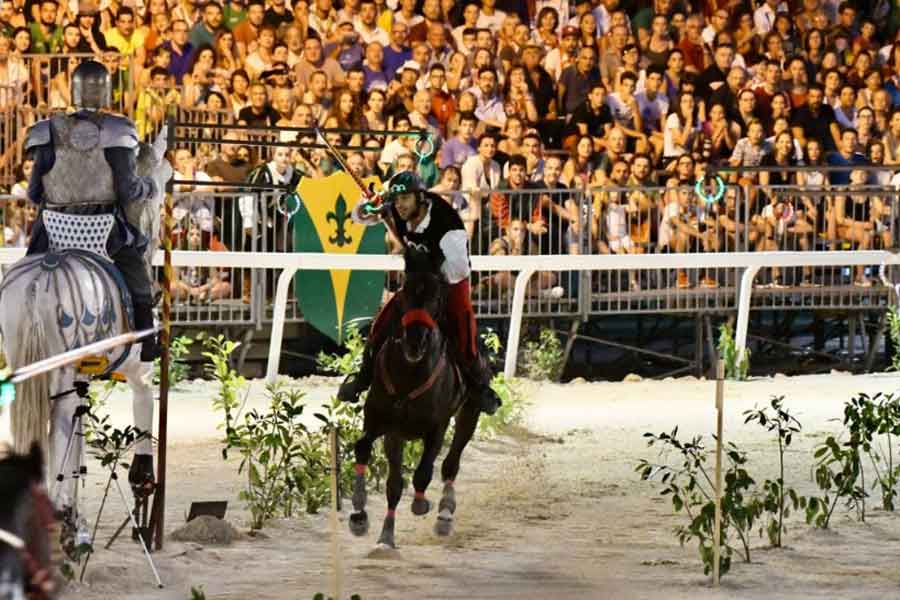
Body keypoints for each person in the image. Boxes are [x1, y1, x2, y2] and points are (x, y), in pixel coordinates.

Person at [23, 60, 161, 361]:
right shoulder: (118, 130)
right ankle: (146, 341)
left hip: (52, 232)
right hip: (104, 232)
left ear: (72, 91)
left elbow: (34, 193)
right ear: (106, 93)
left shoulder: (46, 131)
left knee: (27, 279)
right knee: (137, 273)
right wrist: (149, 186)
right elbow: (126, 191)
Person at [337, 170, 502, 415]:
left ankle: (479, 385)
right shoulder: (396, 208)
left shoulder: (448, 226)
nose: (400, 205)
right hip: (417, 280)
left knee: (462, 327)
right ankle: (362, 378)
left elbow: (459, 270)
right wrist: (368, 205)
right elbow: (358, 217)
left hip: (450, 280)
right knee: (382, 322)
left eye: (405, 199)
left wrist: (427, 264)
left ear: (420, 197)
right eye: (397, 199)